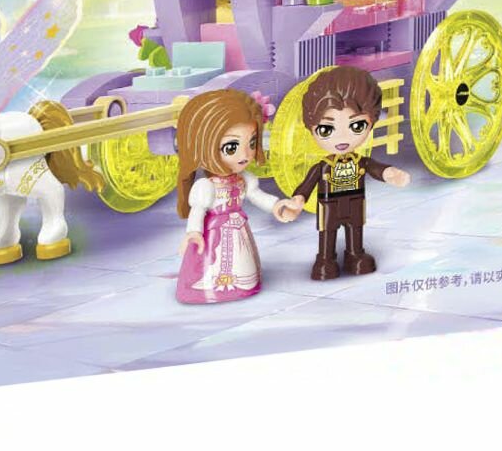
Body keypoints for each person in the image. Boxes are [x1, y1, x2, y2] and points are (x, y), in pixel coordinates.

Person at [280, 67, 410, 279]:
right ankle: (325, 258)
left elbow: (373, 167)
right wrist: (297, 200)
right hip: (329, 204)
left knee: (355, 229)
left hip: (355, 201)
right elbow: (307, 184)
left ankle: (355, 254)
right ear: (311, 127)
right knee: (327, 232)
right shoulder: (323, 166)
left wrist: (389, 173)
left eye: (357, 126)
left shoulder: (359, 161)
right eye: (326, 129)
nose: (341, 138)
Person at [174, 90, 298, 304]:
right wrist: (193, 232)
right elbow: (198, 211)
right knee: (217, 262)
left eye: (252, 143)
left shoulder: (243, 179)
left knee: (241, 260)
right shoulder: (205, 186)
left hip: (238, 228)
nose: (245, 155)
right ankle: (216, 286)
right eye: (231, 147)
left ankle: (242, 284)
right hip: (214, 233)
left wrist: (277, 206)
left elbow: (257, 195)